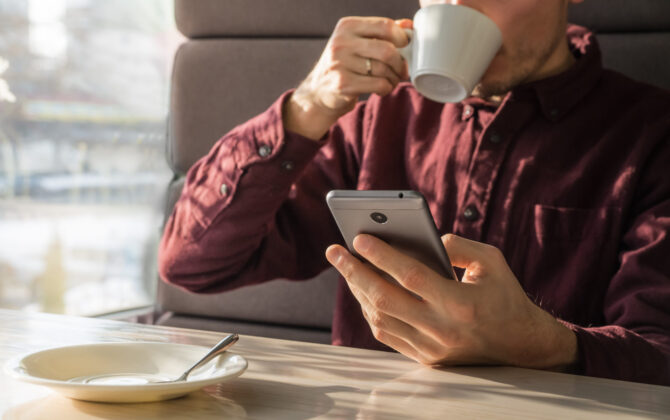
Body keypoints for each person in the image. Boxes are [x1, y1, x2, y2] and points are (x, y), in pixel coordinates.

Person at [158, 0, 670, 385]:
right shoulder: (377, 114)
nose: (459, 6)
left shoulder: (650, 134)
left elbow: (660, 352)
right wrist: (307, 106)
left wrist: (545, 344)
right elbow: (193, 263)